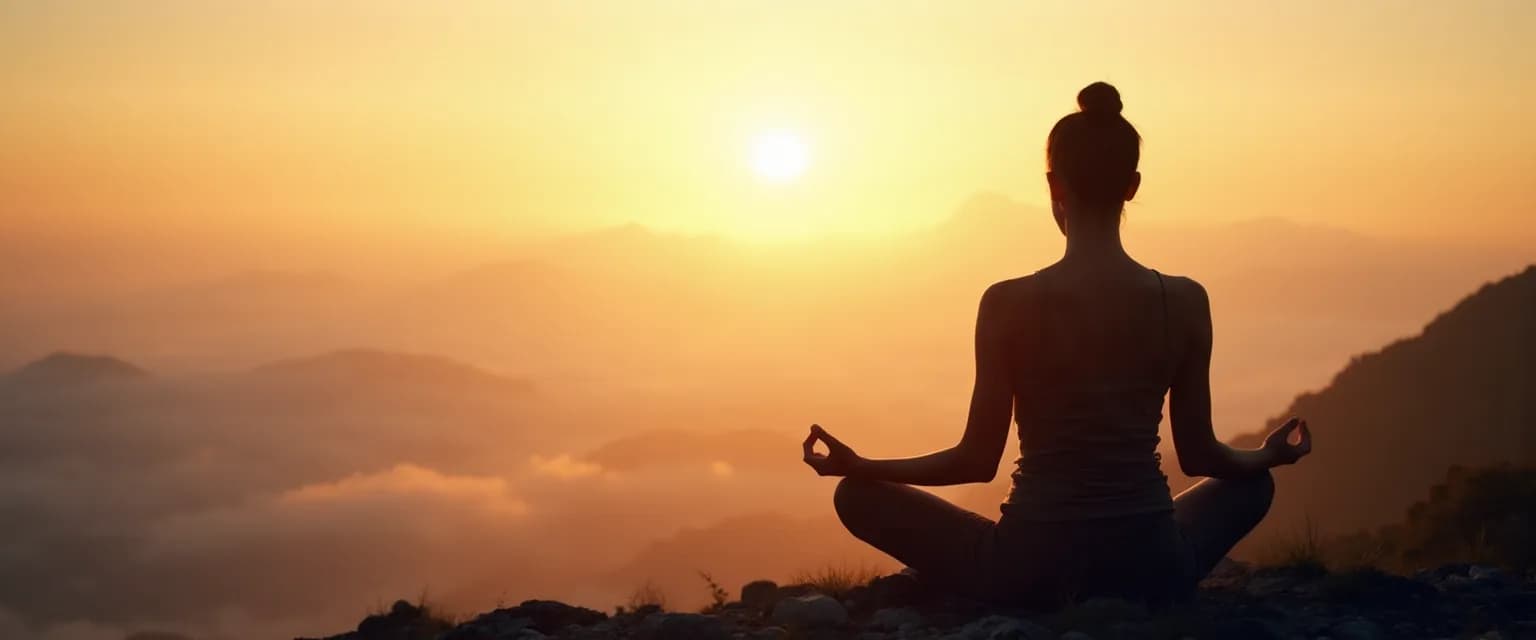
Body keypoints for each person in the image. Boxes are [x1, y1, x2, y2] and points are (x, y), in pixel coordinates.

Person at [800, 82, 1313, 608]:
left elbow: (975, 462)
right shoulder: (1183, 300)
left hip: (1027, 566)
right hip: (1152, 561)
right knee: (1255, 484)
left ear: (1054, 185)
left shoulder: (1006, 303)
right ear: (1133, 185)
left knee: (856, 497)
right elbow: (1201, 454)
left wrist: (861, 466)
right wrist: (1268, 455)